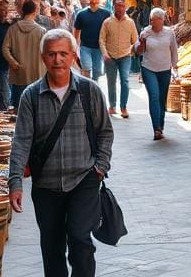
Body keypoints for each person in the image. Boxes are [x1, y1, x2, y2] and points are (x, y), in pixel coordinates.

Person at [8, 29, 114, 277]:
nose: (58, 60)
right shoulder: (31, 96)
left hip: (84, 179)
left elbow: (105, 133)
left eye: (63, 54)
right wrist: (15, 183)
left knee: (80, 240)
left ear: (73, 55)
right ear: (43, 57)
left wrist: (100, 167)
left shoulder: (89, 91)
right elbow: (21, 140)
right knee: (52, 246)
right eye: (52, 54)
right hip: (46, 184)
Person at [136, 7, 178, 140]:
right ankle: (156, 128)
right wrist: (142, 42)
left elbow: (174, 50)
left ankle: (161, 124)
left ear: (161, 20)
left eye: (155, 20)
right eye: (151, 20)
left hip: (165, 69)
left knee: (162, 98)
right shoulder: (145, 32)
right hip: (149, 68)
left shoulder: (169, 33)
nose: (152, 22)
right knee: (154, 96)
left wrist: (175, 66)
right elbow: (138, 51)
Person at [2, 0, 47, 106]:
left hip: (18, 75)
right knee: (36, 109)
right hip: (37, 76)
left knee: (19, 108)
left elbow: (5, 48)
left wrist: (13, 62)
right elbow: (47, 53)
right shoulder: (41, 31)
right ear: (35, 11)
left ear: (23, 11)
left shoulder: (13, 29)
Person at [99, 0, 138, 117]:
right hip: (110, 57)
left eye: (122, 6)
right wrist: (105, 53)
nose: (120, 8)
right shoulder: (107, 22)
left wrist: (131, 50)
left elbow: (135, 40)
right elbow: (102, 39)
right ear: (114, 6)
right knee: (111, 82)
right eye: (117, 5)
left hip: (125, 56)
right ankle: (112, 106)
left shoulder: (130, 22)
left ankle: (123, 107)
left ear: (125, 7)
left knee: (125, 81)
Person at [74, 0, 110, 80]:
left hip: (99, 47)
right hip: (85, 46)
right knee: (86, 68)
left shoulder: (106, 14)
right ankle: (86, 87)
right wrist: (75, 45)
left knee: (97, 70)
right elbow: (77, 30)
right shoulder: (81, 14)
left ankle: (94, 87)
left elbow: (110, 30)